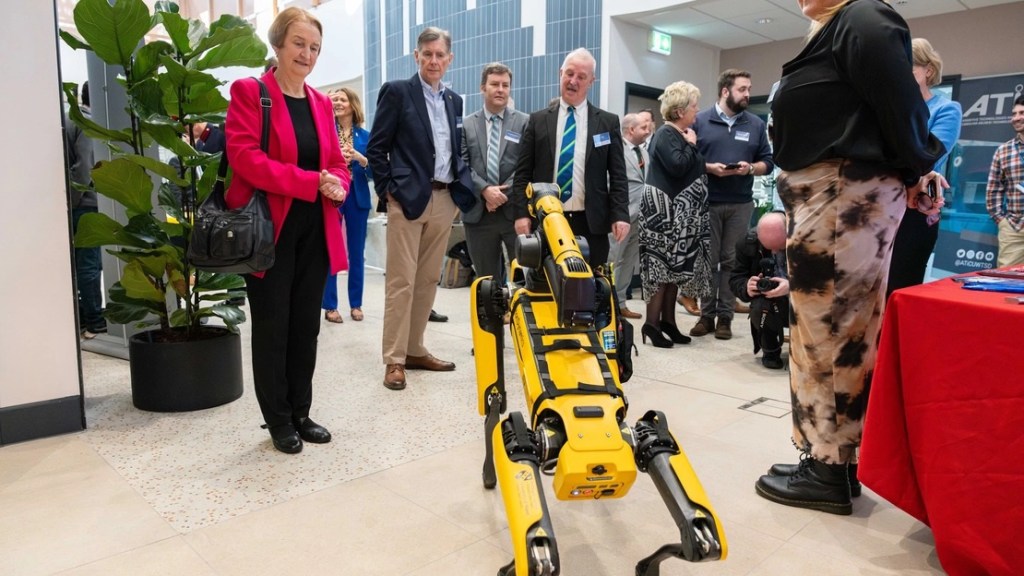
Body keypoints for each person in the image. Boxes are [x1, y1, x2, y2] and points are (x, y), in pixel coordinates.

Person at [755, 0, 946, 515]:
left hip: (844, 195)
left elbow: (901, 105)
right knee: (828, 330)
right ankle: (830, 459)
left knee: (833, 331)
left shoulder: (863, 17)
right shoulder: (840, 27)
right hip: (832, 196)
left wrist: (916, 168)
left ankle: (829, 469)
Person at [224, 7, 350, 454]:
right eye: (299, 43)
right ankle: (277, 419)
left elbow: (334, 161)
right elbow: (245, 158)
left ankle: (301, 411)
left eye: (314, 47)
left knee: (305, 327)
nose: (307, 54)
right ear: (277, 43)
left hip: (315, 226)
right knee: (273, 327)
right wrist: (310, 182)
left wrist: (338, 183)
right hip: (268, 230)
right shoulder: (251, 92)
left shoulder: (320, 102)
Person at [367, 27, 476, 392]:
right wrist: (388, 191)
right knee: (401, 281)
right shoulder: (398, 91)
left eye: (439, 55)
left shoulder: (454, 100)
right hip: (408, 199)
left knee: (428, 280)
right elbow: (377, 147)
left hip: (444, 199)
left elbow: (453, 148)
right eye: (427, 54)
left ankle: (415, 349)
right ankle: (394, 359)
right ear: (417, 56)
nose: (433, 60)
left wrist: (459, 191)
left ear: (449, 59)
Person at [512, 48, 629, 267]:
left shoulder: (607, 123)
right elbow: (522, 175)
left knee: (592, 284)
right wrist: (521, 214)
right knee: (547, 283)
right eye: (569, 73)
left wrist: (620, 214)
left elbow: (618, 176)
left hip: (591, 223)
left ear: (591, 81)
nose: (573, 81)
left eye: (581, 77)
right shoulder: (537, 121)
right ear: (560, 73)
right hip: (546, 220)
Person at [690, 69, 774, 340]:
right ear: (725, 91)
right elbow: (687, 161)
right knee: (707, 260)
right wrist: (709, 168)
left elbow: (768, 163)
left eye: (749, 88)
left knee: (731, 261)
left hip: (740, 204)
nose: (748, 94)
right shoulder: (700, 120)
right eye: (742, 89)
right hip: (707, 202)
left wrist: (750, 168)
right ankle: (706, 316)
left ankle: (725, 318)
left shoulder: (755, 124)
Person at [637, 81, 711, 349]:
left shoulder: (678, 135)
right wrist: (691, 145)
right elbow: (678, 166)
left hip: (679, 215)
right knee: (660, 270)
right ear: (680, 111)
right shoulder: (667, 134)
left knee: (674, 270)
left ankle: (668, 322)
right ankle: (651, 324)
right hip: (663, 213)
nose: (697, 110)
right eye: (694, 106)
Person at [887, 38, 963, 297]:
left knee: (901, 286)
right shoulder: (887, 109)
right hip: (882, 204)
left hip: (917, 207)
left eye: (908, 67)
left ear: (928, 70)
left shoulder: (946, 109)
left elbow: (927, 156)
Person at [459, 62, 528, 284]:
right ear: (482, 88)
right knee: (488, 283)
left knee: (523, 279)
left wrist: (500, 195)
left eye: (505, 85)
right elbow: (462, 165)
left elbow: (527, 165)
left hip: (514, 213)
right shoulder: (467, 125)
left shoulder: (524, 122)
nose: (500, 90)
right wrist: (485, 190)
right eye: (495, 84)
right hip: (479, 215)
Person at [322, 87, 372, 323]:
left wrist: (361, 159)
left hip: (357, 197)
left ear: (353, 104)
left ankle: (356, 304)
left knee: (357, 253)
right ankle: (330, 305)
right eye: (335, 100)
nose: (338, 103)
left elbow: (375, 171)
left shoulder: (366, 136)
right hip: (332, 193)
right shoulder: (324, 130)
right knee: (330, 249)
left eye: (343, 100)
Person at [66, 83, 105, 340]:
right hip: (86, 203)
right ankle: (95, 321)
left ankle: (82, 317)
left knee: (79, 263)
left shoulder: (69, 118)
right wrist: (76, 200)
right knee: (90, 264)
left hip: (74, 204)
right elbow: (85, 169)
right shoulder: (87, 122)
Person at [728, 212, 789, 369]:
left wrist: (793, 286)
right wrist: (746, 286)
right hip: (771, 303)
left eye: (780, 247)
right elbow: (735, 278)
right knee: (760, 305)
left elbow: (826, 280)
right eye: (769, 248)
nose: (774, 252)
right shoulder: (747, 243)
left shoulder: (808, 240)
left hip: (804, 300)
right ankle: (770, 351)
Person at [610, 113, 651, 319]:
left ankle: (620, 303)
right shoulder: (615, 149)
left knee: (628, 262)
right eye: (643, 127)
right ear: (631, 129)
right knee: (612, 260)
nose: (648, 131)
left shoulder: (644, 152)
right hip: (620, 216)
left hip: (641, 216)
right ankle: (605, 304)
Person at [985, 95, 1024, 267]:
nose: (1016, 118)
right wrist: (1001, 220)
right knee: (1007, 277)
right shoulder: (1004, 151)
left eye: (1022, 113)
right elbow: (993, 188)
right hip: (1015, 228)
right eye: (1014, 114)